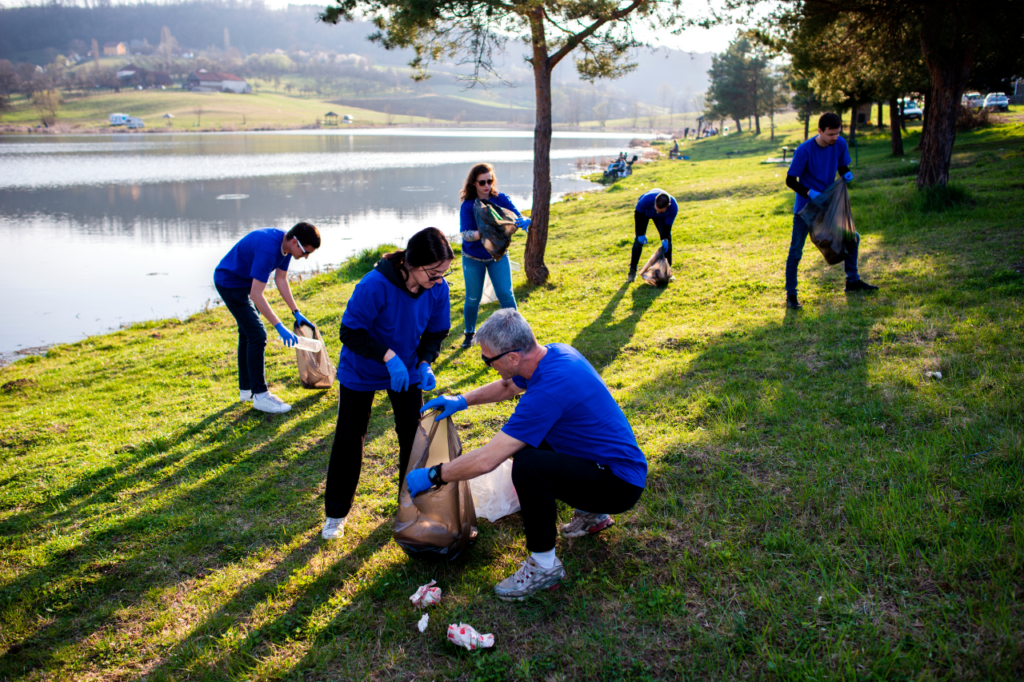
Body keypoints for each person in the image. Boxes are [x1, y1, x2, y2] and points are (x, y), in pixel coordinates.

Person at [405, 310, 647, 600]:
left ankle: (544, 566)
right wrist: (462, 400)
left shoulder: (546, 393)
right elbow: (509, 386)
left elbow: (488, 459)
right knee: (534, 444)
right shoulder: (553, 354)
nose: (487, 365)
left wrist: (435, 474)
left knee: (528, 466)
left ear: (513, 357)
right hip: (613, 466)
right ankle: (592, 514)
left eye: (488, 359)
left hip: (618, 485)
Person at [321, 227, 453, 540]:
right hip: (362, 368)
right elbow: (350, 331)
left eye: (443, 273)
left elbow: (437, 331)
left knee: (413, 436)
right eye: (434, 273)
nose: (439, 280)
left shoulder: (437, 288)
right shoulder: (375, 285)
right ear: (412, 263)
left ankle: (410, 502)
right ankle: (335, 515)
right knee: (350, 438)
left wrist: (424, 361)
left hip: (406, 369)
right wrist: (387, 356)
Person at [213, 222, 320, 414]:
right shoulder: (269, 250)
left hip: (243, 282)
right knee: (257, 335)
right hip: (229, 283)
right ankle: (261, 396)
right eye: (306, 252)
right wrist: (279, 326)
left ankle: (246, 392)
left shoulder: (285, 247)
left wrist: (296, 312)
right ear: (295, 242)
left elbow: (280, 279)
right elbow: (256, 294)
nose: (305, 257)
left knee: (248, 333)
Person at [785, 112, 878, 309]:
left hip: (827, 204)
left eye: (837, 133)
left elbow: (842, 167)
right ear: (820, 131)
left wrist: (847, 173)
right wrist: (810, 193)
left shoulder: (839, 144)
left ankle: (852, 281)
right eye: (830, 134)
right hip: (806, 209)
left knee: (853, 237)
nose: (835, 138)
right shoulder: (804, 150)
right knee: (796, 252)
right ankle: (791, 295)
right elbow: (790, 180)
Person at [458, 163, 530, 349]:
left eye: (490, 181)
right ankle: (469, 334)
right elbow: (465, 233)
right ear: (474, 183)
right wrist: (486, 231)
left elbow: (516, 217)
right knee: (472, 298)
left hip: (498, 256)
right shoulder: (468, 206)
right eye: (482, 182)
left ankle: (517, 335)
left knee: (506, 295)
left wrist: (524, 221)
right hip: (473, 258)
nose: (486, 185)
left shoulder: (501, 199)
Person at [628, 189, 678, 283]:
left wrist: (665, 238)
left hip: (661, 218)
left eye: (660, 211)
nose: (657, 212)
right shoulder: (645, 200)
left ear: (668, 206)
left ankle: (667, 272)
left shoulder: (673, 208)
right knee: (638, 241)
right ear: (655, 200)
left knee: (668, 241)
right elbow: (638, 215)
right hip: (644, 213)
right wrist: (641, 233)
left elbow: (667, 226)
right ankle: (632, 272)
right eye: (656, 209)